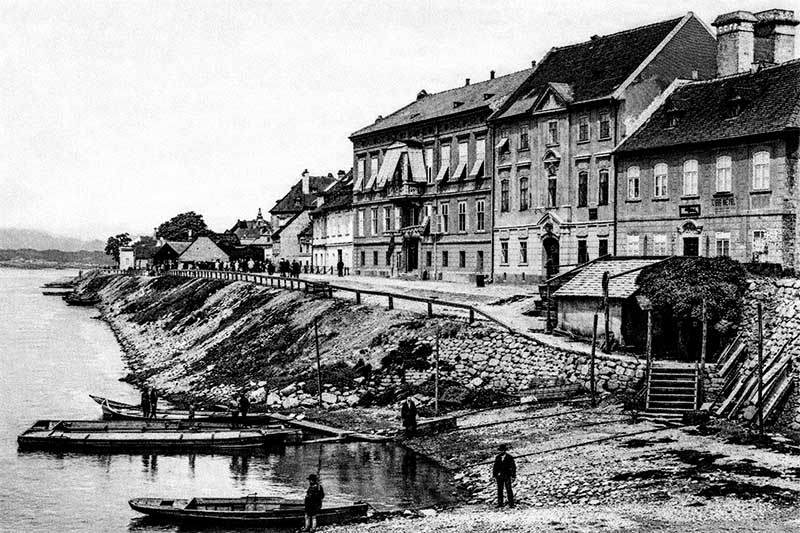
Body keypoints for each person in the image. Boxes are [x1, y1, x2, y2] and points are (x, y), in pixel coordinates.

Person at [493, 444, 516, 508]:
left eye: (501, 450)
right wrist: (494, 475)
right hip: (499, 476)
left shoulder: (509, 457)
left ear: (504, 451)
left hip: (507, 475)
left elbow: (513, 467)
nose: (500, 452)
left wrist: (513, 476)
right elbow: (495, 467)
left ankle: (511, 504)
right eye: (499, 451)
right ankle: (500, 503)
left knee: (509, 489)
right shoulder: (497, 457)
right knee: (500, 489)